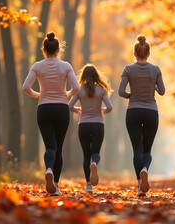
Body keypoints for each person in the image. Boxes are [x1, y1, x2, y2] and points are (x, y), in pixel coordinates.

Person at [22, 32, 80, 196]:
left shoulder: (38, 66)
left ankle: (48, 169)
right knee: (59, 148)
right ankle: (55, 184)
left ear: (44, 49)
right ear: (57, 50)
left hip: (44, 109)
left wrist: (37, 95)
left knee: (50, 146)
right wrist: (68, 94)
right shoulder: (66, 66)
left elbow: (25, 87)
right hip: (61, 108)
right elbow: (76, 88)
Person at [118, 35, 165, 196]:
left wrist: (132, 96)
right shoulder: (156, 70)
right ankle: (145, 168)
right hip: (151, 112)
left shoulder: (128, 69)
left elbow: (121, 92)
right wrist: (153, 87)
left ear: (134, 53)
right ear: (148, 54)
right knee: (147, 150)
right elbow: (162, 91)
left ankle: (139, 185)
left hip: (134, 112)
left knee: (137, 149)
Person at [69, 64, 113, 193]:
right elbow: (110, 107)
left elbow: (69, 105)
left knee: (85, 155)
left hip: (84, 125)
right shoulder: (101, 90)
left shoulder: (79, 90)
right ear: (96, 76)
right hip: (98, 124)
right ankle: (95, 163)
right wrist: (103, 110)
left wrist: (77, 109)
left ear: (83, 76)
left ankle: (88, 185)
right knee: (96, 153)